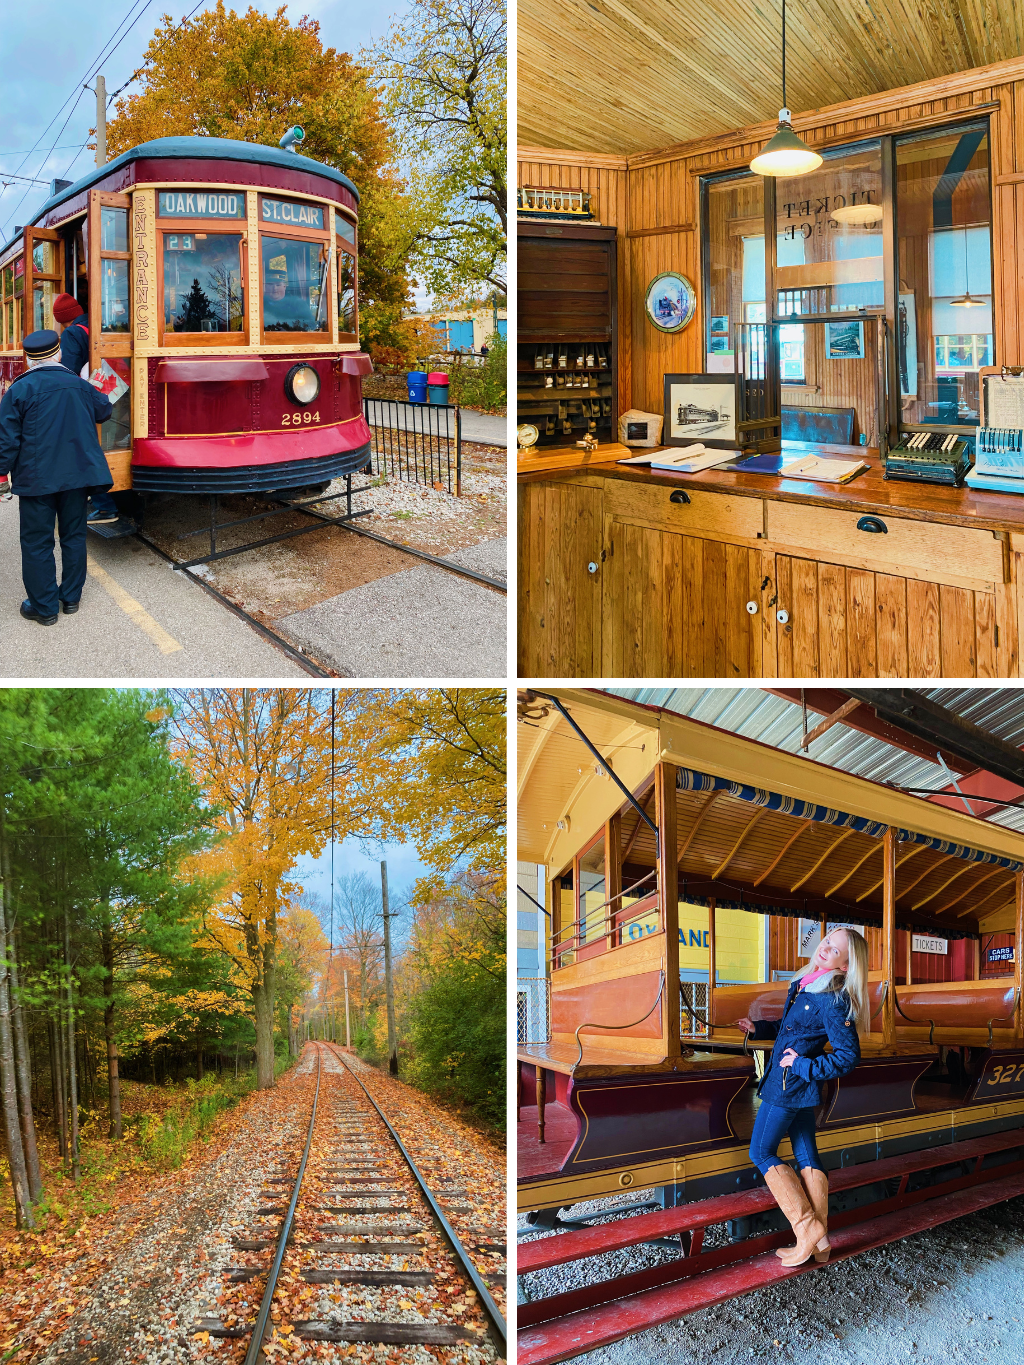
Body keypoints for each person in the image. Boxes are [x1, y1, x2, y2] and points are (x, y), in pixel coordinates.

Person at [738, 927, 869, 1267]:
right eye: (827, 941)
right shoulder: (808, 983)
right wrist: (760, 1029)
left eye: (836, 949)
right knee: (806, 1153)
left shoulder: (833, 998)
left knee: (761, 1152)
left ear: (846, 964)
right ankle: (821, 1243)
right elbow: (792, 1029)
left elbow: (847, 1057)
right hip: (794, 1085)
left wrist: (802, 1066)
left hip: (788, 1086)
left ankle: (807, 1228)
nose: (826, 947)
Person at [0, 329, 113, 625]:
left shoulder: (18, 391)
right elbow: (104, 411)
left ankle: (45, 607)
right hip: (77, 477)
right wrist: (96, 387)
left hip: (37, 480)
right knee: (73, 536)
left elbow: (7, 441)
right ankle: (71, 597)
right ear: (60, 353)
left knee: (37, 542)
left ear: (28, 359)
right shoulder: (79, 385)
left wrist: (1, 474)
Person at [51, 293, 119, 525]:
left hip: (85, 395)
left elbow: (68, 372)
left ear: (62, 319)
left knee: (86, 446)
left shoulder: (72, 333)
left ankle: (104, 506)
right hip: (112, 390)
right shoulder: (100, 323)